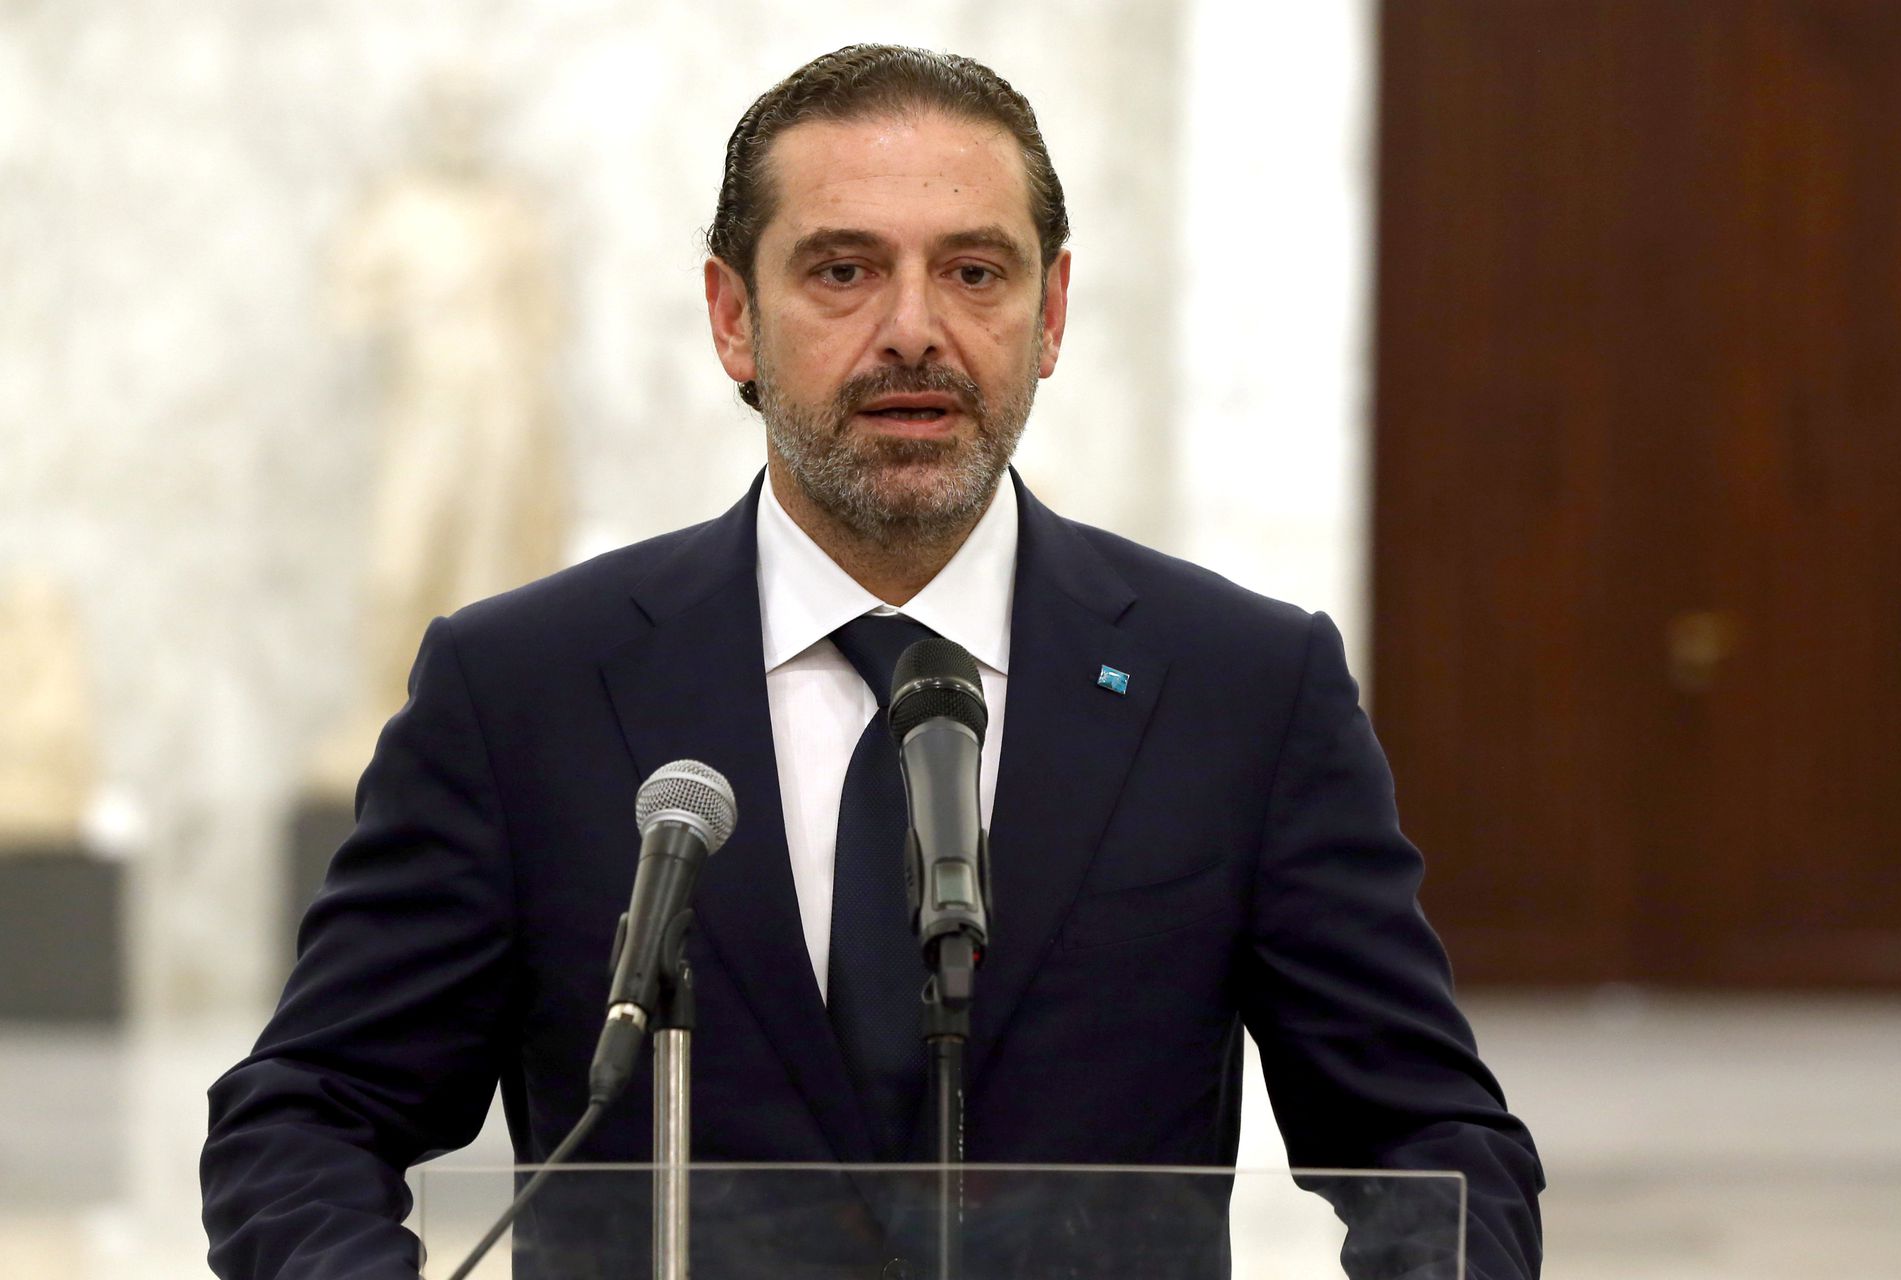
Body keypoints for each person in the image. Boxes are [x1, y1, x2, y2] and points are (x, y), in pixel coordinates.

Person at [203, 44, 1544, 1280]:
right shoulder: (522, 690)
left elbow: (1434, 1143)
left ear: (1051, 313)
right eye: (843, 271)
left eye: (975, 273)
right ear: (733, 316)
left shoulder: (1242, 688)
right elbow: (306, 1118)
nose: (915, 329)